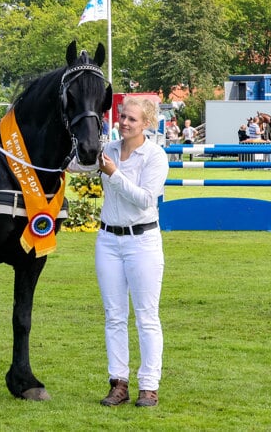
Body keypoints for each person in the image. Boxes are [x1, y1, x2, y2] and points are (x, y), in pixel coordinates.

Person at [96, 96, 169, 408]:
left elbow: (145, 199)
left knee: (146, 316)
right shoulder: (108, 150)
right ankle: (118, 381)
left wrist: (114, 174)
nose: (124, 123)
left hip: (142, 241)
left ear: (146, 124)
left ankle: (149, 385)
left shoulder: (154, 156)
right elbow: (75, 163)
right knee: (114, 315)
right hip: (108, 239)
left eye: (132, 119)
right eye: (122, 117)